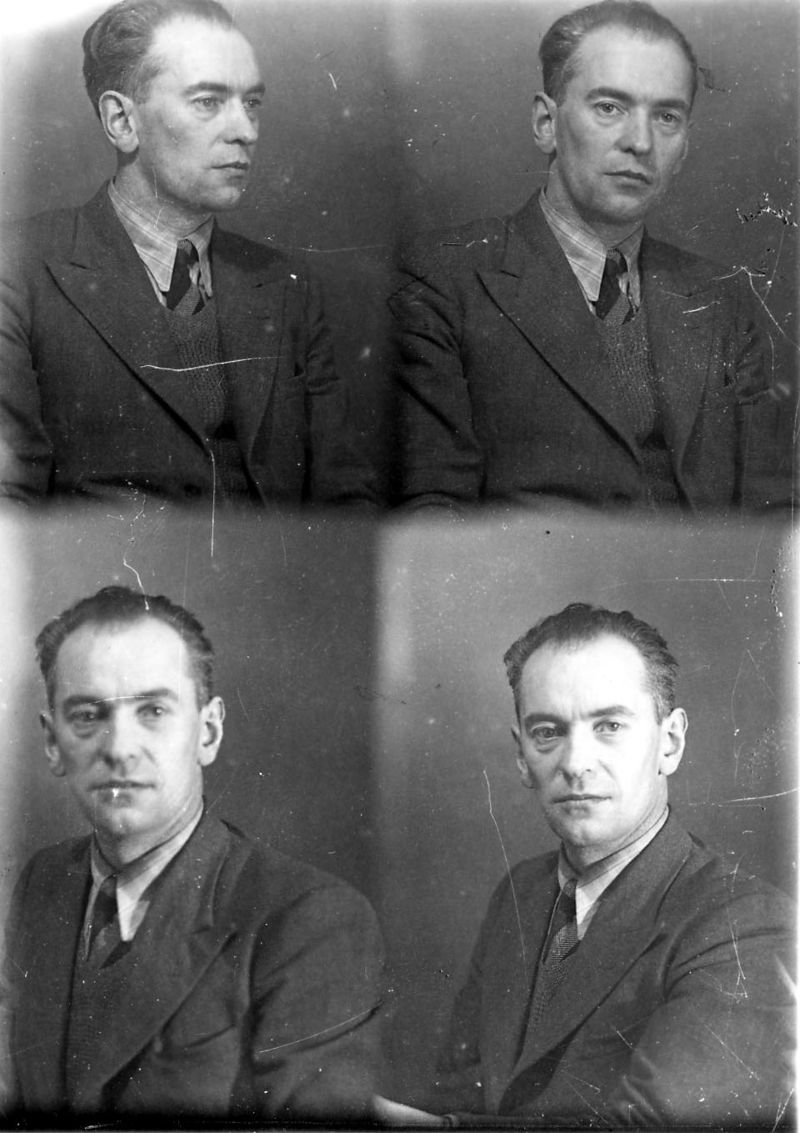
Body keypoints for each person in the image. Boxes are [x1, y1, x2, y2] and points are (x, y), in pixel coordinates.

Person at [390, 0, 789, 511]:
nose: (640, 142)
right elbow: (433, 517)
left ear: (684, 149)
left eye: (666, 117)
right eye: (609, 108)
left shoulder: (726, 301)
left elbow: (775, 518)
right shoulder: (440, 281)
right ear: (546, 123)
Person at [4, 586, 385, 1120]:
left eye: (153, 711)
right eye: (88, 715)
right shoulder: (43, 882)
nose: (119, 748)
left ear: (207, 732)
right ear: (52, 743)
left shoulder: (307, 920)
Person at [427, 603, 795, 1126]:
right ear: (521, 756)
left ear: (670, 743)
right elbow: (456, 1094)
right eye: (548, 732)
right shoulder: (520, 893)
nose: (576, 763)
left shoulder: (746, 927)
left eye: (610, 725)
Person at [0, 0, 376, 505]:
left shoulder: (285, 284)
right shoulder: (18, 269)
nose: (245, 131)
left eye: (252, 103)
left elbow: (345, 501)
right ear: (121, 120)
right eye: (207, 101)